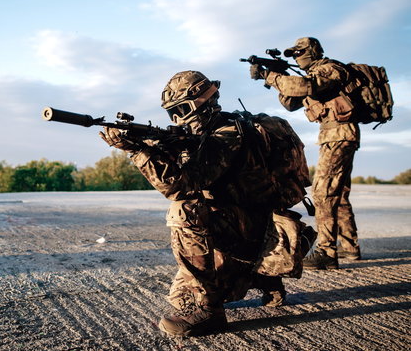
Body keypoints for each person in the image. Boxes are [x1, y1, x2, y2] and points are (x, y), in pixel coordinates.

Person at [99, 70, 310, 337]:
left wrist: (138, 152)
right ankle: (265, 277)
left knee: (184, 211)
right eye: (171, 113)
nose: (177, 119)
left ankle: (210, 311)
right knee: (181, 295)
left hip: (252, 232)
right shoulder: (231, 128)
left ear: (206, 101)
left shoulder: (226, 135)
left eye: (182, 110)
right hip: (264, 227)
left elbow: (180, 186)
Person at [249, 37, 362, 270]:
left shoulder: (330, 68)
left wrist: (269, 76)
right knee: (337, 193)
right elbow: (290, 103)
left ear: (312, 51)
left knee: (322, 193)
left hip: (340, 134)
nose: (297, 57)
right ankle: (350, 247)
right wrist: (274, 76)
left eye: (299, 52)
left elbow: (305, 87)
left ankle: (327, 253)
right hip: (333, 135)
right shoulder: (308, 75)